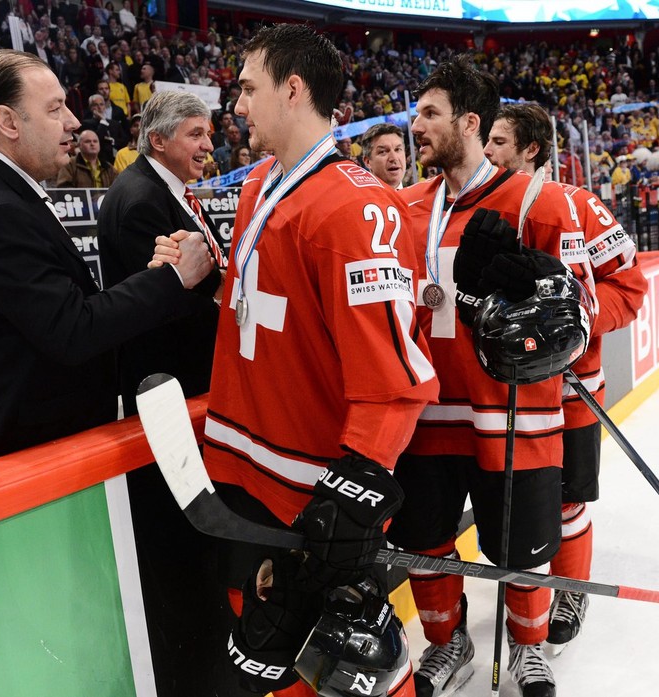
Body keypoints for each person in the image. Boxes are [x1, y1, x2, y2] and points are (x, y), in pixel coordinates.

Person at [181, 23, 438, 697]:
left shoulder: (354, 204)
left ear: (292, 89)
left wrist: (353, 488)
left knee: (346, 662)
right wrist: (206, 279)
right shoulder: (256, 187)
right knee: (274, 648)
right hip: (242, 470)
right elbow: (272, 316)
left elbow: (393, 380)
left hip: (310, 490)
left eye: (247, 89)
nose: (236, 107)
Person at [387, 56, 596, 697]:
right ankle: (448, 643)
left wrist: (538, 283)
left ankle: (529, 649)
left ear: (469, 122)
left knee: (522, 547)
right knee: (425, 541)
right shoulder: (400, 209)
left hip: (514, 413)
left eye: (429, 114)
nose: (414, 126)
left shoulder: (542, 201)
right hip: (425, 417)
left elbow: (582, 314)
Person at [0, 50, 216, 473]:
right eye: (56, 108)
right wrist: (173, 276)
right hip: (18, 450)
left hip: (5, 432)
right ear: (8, 122)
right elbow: (73, 329)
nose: (74, 122)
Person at [484, 102, 647, 657]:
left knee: (566, 503)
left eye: (500, 141)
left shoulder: (580, 206)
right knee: (517, 511)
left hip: (571, 393)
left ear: (531, 149)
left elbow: (631, 289)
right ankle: (528, 597)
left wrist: (569, 323)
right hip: (500, 396)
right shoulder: (469, 208)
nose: (487, 151)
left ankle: (571, 590)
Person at [97, 88, 228, 697]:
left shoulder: (162, 191)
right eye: (196, 135)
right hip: (166, 392)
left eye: (208, 133)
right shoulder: (140, 201)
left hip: (182, 387)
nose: (209, 145)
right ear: (158, 140)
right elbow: (173, 304)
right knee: (177, 538)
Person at [360, 122, 407, 189]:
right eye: (383, 152)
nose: (393, 158)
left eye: (397, 149)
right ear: (368, 162)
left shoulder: (417, 195)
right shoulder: (360, 198)